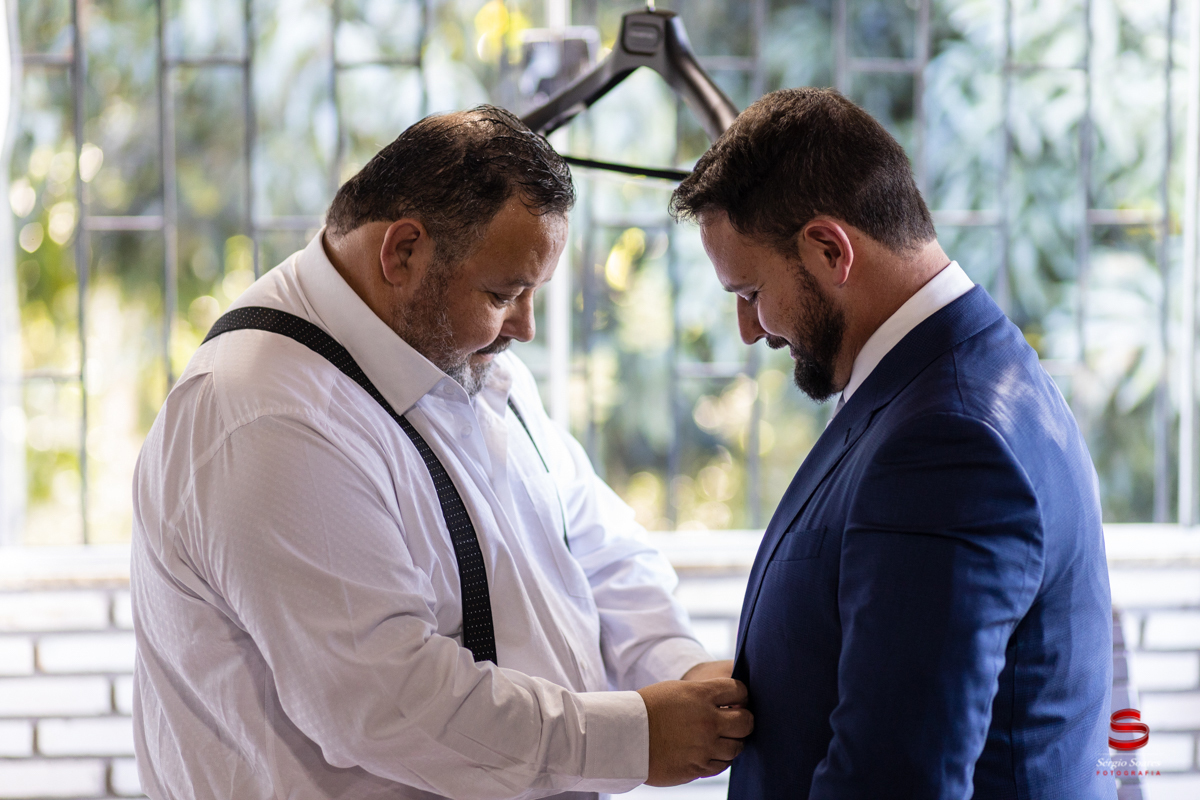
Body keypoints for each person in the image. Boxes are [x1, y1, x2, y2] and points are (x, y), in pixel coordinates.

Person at [130, 105, 751, 800]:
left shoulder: (461, 357)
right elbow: (388, 704)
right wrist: (631, 737)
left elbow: (595, 547)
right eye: (504, 293)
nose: (525, 326)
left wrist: (679, 667)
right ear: (403, 252)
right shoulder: (268, 418)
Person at [670, 88, 1115, 799]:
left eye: (750, 293)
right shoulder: (951, 377)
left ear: (829, 249)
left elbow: (898, 780)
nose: (750, 330)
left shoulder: (949, 439)